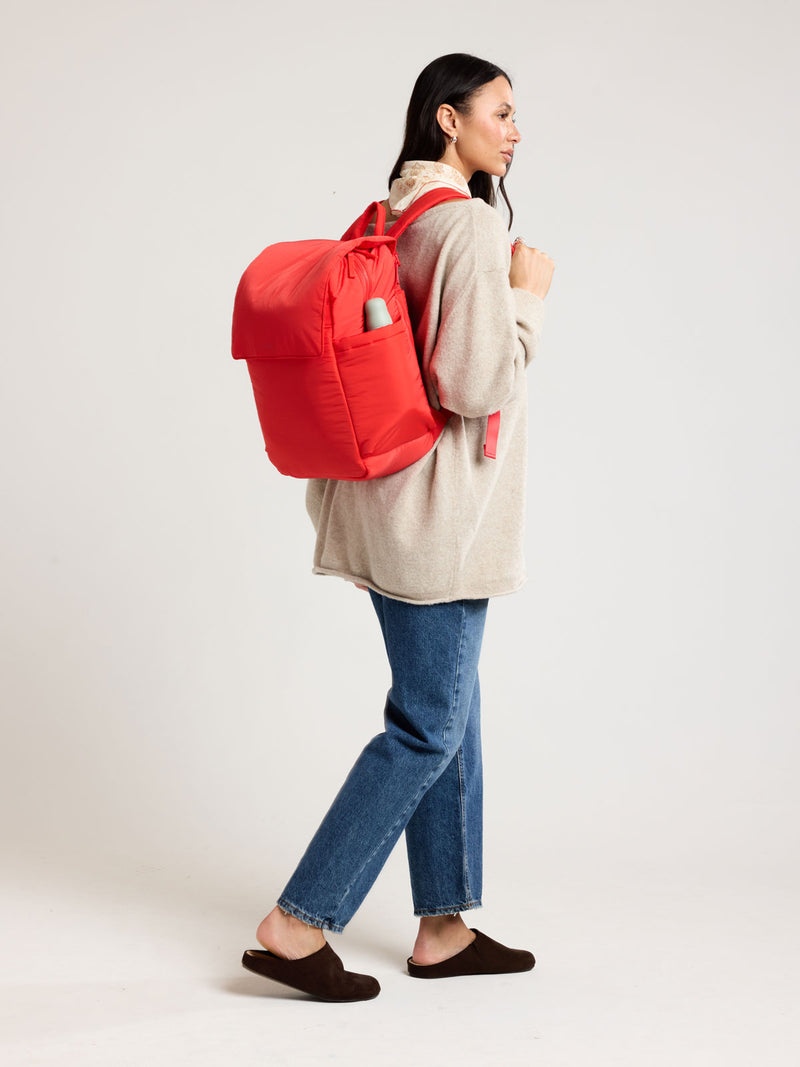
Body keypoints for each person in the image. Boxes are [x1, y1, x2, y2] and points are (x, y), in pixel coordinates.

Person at [242, 52, 555, 1002]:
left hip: (383, 504)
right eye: (500, 112)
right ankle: (296, 925)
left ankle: (444, 926)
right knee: (428, 723)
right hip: (438, 520)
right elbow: (475, 383)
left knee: (450, 709)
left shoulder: (391, 215)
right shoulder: (460, 224)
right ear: (447, 120)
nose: (515, 130)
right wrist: (527, 298)